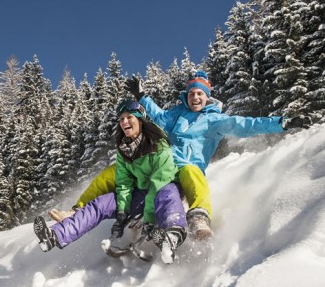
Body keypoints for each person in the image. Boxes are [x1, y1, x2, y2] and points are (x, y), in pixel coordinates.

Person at [50, 71, 313, 240]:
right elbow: (157, 116)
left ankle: (198, 217)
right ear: (186, 97)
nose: (195, 97)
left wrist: (282, 122)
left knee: (192, 172)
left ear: (207, 97)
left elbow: (246, 125)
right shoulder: (176, 115)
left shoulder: (215, 121)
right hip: (159, 166)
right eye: (191, 93)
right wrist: (142, 96)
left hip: (184, 172)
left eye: (200, 93)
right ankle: (75, 212)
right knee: (113, 173)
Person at [34, 99, 188, 264]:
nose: (124, 122)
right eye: (121, 119)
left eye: (129, 117)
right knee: (101, 203)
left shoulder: (158, 144)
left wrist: (149, 219)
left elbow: (159, 182)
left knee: (167, 193)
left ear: (140, 120)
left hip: (165, 189)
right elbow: (124, 184)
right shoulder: (124, 149)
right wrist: (122, 213)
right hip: (142, 194)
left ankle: (172, 235)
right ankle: (55, 236)